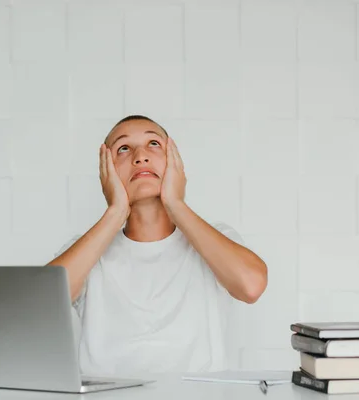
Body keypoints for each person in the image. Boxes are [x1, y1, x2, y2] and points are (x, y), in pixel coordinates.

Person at [47, 115, 268, 376]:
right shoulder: (86, 250)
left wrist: (176, 204)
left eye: (153, 143)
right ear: (106, 172)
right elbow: (41, 308)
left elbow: (251, 286)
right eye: (123, 148)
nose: (140, 156)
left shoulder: (215, 239)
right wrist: (116, 212)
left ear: (176, 162)